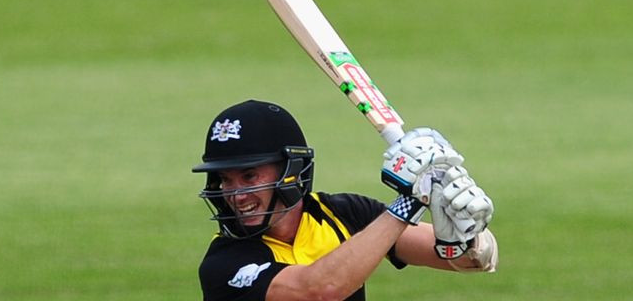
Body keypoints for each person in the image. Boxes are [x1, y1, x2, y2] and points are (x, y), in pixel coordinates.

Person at [192, 99, 497, 301]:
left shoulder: (343, 213)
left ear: (291, 170)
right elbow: (321, 290)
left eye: (249, 176)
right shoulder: (225, 264)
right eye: (225, 179)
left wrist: (459, 220)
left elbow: (468, 260)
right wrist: (411, 202)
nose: (236, 193)